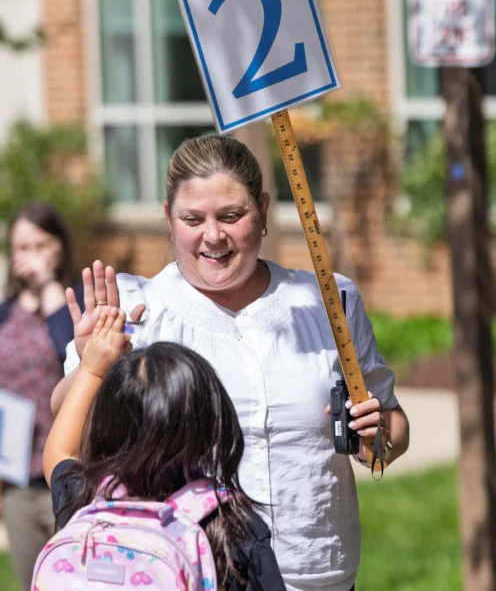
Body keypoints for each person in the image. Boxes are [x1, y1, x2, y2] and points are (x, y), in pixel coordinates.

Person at [54, 135, 410, 591]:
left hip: (320, 573)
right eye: (192, 218)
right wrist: (92, 368)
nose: (213, 235)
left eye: (231, 215)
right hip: (194, 572)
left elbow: (391, 429)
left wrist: (375, 438)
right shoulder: (133, 309)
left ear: (262, 210)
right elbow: (66, 435)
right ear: (168, 219)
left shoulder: (328, 301)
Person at [43, 307, 286, 591]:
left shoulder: (88, 498)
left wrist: (92, 369)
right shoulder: (230, 526)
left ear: (105, 423)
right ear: (210, 422)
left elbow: (61, 451)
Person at [0, 200, 82, 591]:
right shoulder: (5, 314)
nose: (30, 257)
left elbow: (74, 354)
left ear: (60, 245)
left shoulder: (76, 302)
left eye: (40, 246)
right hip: (17, 480)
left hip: (72, 475)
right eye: (22, 248)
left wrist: (51, 285)